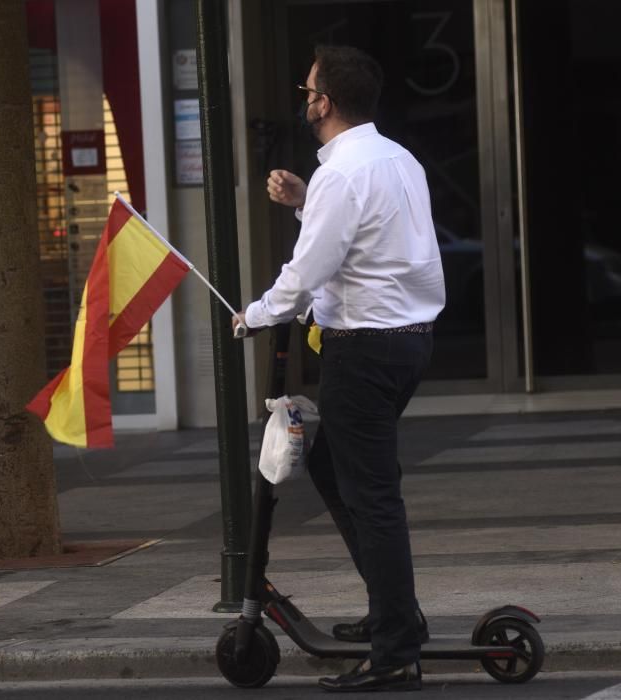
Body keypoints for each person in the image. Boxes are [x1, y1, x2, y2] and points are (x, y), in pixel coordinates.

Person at [234, 45, 445, 693]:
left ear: (323, 103)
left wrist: (258, 313)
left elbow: (307, 273)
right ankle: (392, 611)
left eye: (309, 89)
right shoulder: (394, 159)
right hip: (406, 343)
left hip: (366, 348)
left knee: (373, 497)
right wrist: (305, 202)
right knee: (336, 468)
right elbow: (362, 239)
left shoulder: (344, 173)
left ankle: (396, 650)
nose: (305, 98)